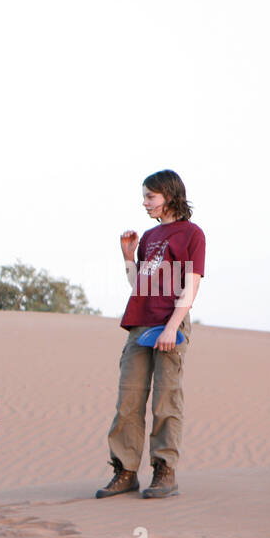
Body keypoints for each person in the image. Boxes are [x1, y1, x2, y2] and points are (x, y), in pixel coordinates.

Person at [96, 169, 205, 499]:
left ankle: (164, 471)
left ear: (170, 196)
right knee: (128, 401)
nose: (145, 203)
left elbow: (192, 283)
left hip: (171, 325)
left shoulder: (192, 234)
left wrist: (172, 327)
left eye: (150, 197)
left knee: (165, 400)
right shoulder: (149, 236)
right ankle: (126, 471)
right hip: (139, 325)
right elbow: (140, 285)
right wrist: (129, 258)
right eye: (145, 196)